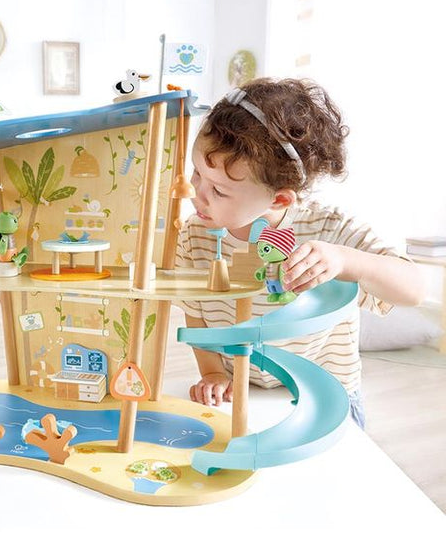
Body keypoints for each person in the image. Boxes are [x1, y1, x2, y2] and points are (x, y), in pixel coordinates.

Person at [176, 78, 424, 428]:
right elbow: (196, 313)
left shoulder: (329, 228)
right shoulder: (195, 235)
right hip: (242, 393)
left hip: (323, 398)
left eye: (218, 190)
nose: (196, 193)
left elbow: (414, 289)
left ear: (279, 199)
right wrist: (212, 372)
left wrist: (345, 261)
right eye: (196, 172)